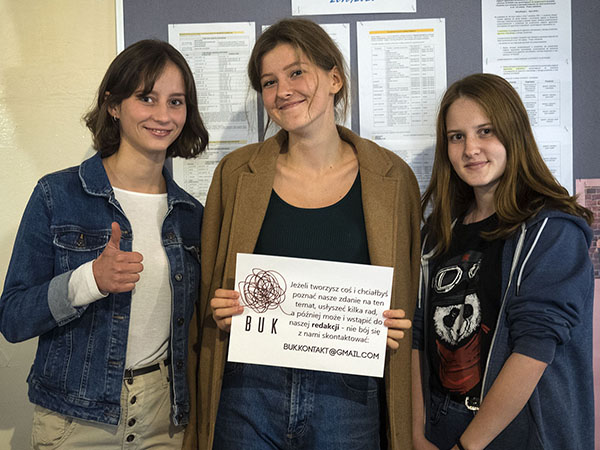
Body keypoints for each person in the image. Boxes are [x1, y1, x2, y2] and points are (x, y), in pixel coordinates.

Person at [184, 18, 421, 450]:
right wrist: (219, 308)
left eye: (296, 72)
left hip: (348, 393)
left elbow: (404, 291)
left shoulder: (393, 178)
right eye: (269, 82)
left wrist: (394, 323)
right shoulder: (235, 174)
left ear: (334, 79)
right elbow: (210, 290)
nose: (282, 91)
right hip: (249, 387)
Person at [0, 39, 208, 448]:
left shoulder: (191, 214)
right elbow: (13, 318)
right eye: (146, 98)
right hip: (75, 419)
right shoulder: (57, 195)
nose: (163, 115)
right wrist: (89, 280)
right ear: (113, 105)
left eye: (176, 102)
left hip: (165, 419)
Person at [411, 73, 594, 450]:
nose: (470, 149)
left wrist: (468, 446)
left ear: (514, 134)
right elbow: (416, 334)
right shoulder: (437, 234)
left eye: (486, 131)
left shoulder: (553, 231)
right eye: (456, 136)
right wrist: (414, 432)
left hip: (518, 430)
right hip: (441, 424)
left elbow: (533, 350)